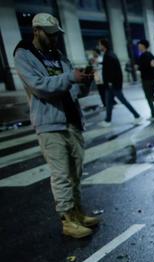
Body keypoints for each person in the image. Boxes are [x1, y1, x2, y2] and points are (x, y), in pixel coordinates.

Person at [14, 13, 100, 238]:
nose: (54, 39)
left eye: (56, 34)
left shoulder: (58, 56)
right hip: (50, 124)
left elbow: (71, 89)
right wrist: (70, 77)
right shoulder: (24, 55)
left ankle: (78, 213)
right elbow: (40, 86)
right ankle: (67, 221)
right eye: (49, 34)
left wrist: (84, 83)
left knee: (76, 172)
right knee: (61, 174)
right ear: (36, 31)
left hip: (71, 120)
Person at [98, 38, 141, 127]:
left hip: (112, 84)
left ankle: (137, 116)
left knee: (122, 101)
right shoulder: (109, 54)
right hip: (112, 84)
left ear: (103, 45)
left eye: (99, 45)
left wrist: (110, 82)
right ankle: (107, 120)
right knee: (109, 102)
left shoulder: (109, 55)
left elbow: (112, 70)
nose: (99, 46)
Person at [136, 39, 154, 121]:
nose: (138, 47)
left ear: (143, 46)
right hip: (153, 79)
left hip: (146, 80)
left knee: (149, 97)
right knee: (152, 97)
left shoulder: (142, 56)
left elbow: (141, 67)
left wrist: (138, 67)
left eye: (139, 45)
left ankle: (153, 115)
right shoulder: (151, 55)